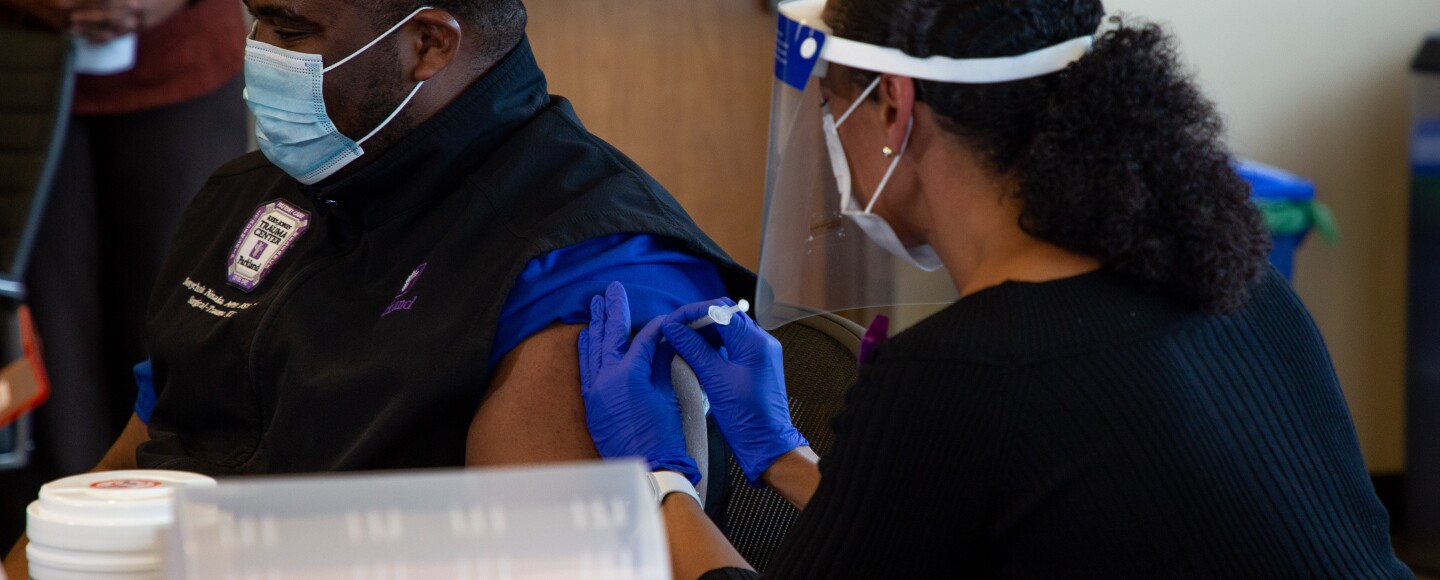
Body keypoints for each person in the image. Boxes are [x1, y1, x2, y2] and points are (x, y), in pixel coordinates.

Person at [577, 0, 1414, 578]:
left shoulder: (964, 374)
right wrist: (782, 455)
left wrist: (659, 481)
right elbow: (965, 514)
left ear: (894, 109)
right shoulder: (1240, 282)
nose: (829, 139)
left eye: (832, 103)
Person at [3, 0, 752, 576]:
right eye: (255, 18)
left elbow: (528, 559)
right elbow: (149, 452)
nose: (257, 53)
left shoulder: (581, 266)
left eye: (291, 30)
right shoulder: (252, 193)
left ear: (429, 42)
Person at [0, 0, 247, 550]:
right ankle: (49, 548)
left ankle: (167, 543)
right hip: (19, 67)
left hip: (185, 69)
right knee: (44, 351)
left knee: (190, 326)